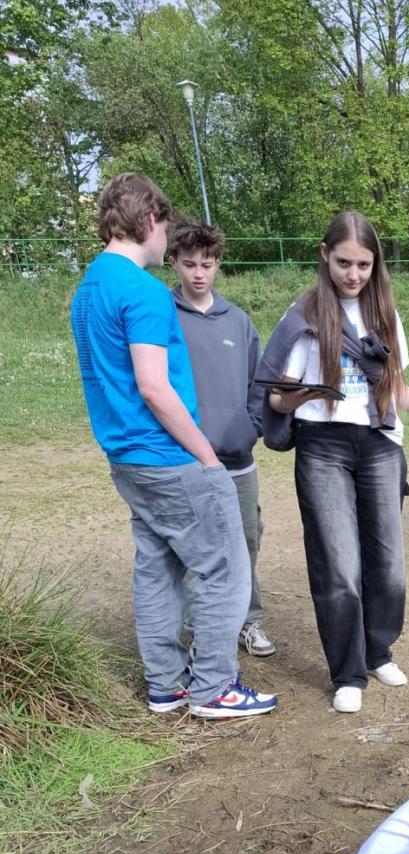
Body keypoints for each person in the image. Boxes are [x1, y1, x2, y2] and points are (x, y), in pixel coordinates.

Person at [257, 210, 409, 715]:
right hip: (323, 446)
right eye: (343, 263)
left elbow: (393, 388)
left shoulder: (385, 315)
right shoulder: (304, 315)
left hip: (380, 445)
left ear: (375, 263)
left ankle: (378, 649)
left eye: (363, 264)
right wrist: (299, 398)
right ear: (324, 256)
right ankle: (348, 672)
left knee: (388, 565)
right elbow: (275, 398)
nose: (353, 274)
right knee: (338, 564)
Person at [69, 173, 278, 720]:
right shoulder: (140, 290)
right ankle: (214, 686)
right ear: (150, 221)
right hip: (167, 455)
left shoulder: (90, 286)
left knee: (157, 566)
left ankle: (166, 683)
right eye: (165, 228)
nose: (168, 245)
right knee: (225, 566)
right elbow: (154, 386)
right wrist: (206, 457)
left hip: (126, 457)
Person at [168, 220, 275, 659]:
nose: (198, 273)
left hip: (238, 461)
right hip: (186, 459)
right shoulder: (162, 316)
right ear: (173, 262)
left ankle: (248, 621)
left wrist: (250, 425)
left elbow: (260, 385)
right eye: (189, 264)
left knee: (246, 540)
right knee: (195, 548)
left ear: (217, 265)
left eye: (206, 264)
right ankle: (200, 629)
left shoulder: (239, 321)